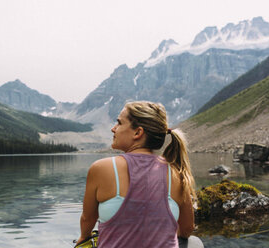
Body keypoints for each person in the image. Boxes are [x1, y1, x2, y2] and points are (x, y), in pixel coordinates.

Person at [76, 101, 196, 247]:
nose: (113, 129)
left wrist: (84, 237)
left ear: (138, 133)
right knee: (194, 242)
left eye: (119, 123)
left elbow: (88, 220)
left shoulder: (101, 168)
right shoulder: (176, 173)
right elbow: (187, 229)